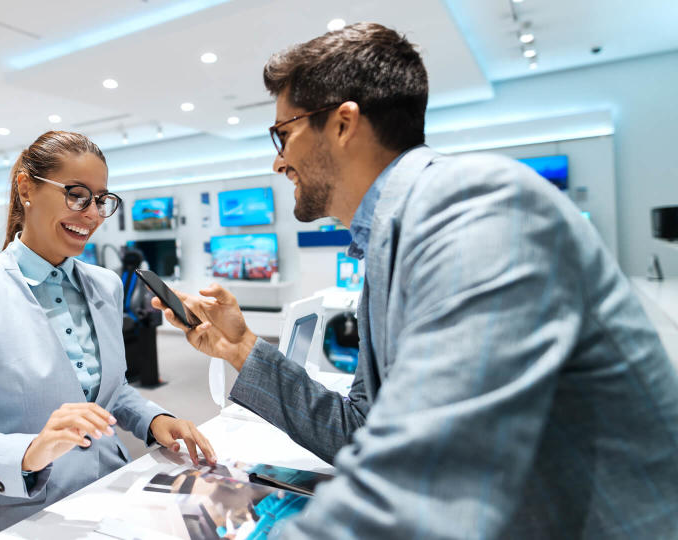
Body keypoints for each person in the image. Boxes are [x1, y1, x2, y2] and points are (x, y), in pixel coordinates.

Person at [155, 23, 678, 538]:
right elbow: (361, 431)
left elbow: (433, 478)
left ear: (342, 124)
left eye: (283, 134)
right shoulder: (389, 243)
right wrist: (243, 345)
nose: (277, 161)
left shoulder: (476, 208)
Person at [0, 131, 216, 540]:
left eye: (100, 200)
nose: (92, 214)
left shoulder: (105, 284)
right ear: (27, 188)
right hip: (21, 520)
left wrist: (154, 419)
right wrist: (29, 452)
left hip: (112, 498)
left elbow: (110, 392)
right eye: (77, 195)